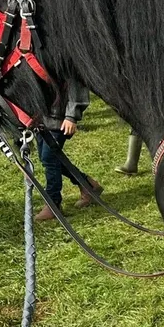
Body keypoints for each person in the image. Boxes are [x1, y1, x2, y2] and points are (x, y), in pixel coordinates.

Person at [34, 82, 103, 222]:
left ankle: (53, 204)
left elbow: (76, 82)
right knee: (47, 158)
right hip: (40, 117)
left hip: (59, 117)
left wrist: (71, 116)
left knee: (49, 159)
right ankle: (87, 185)